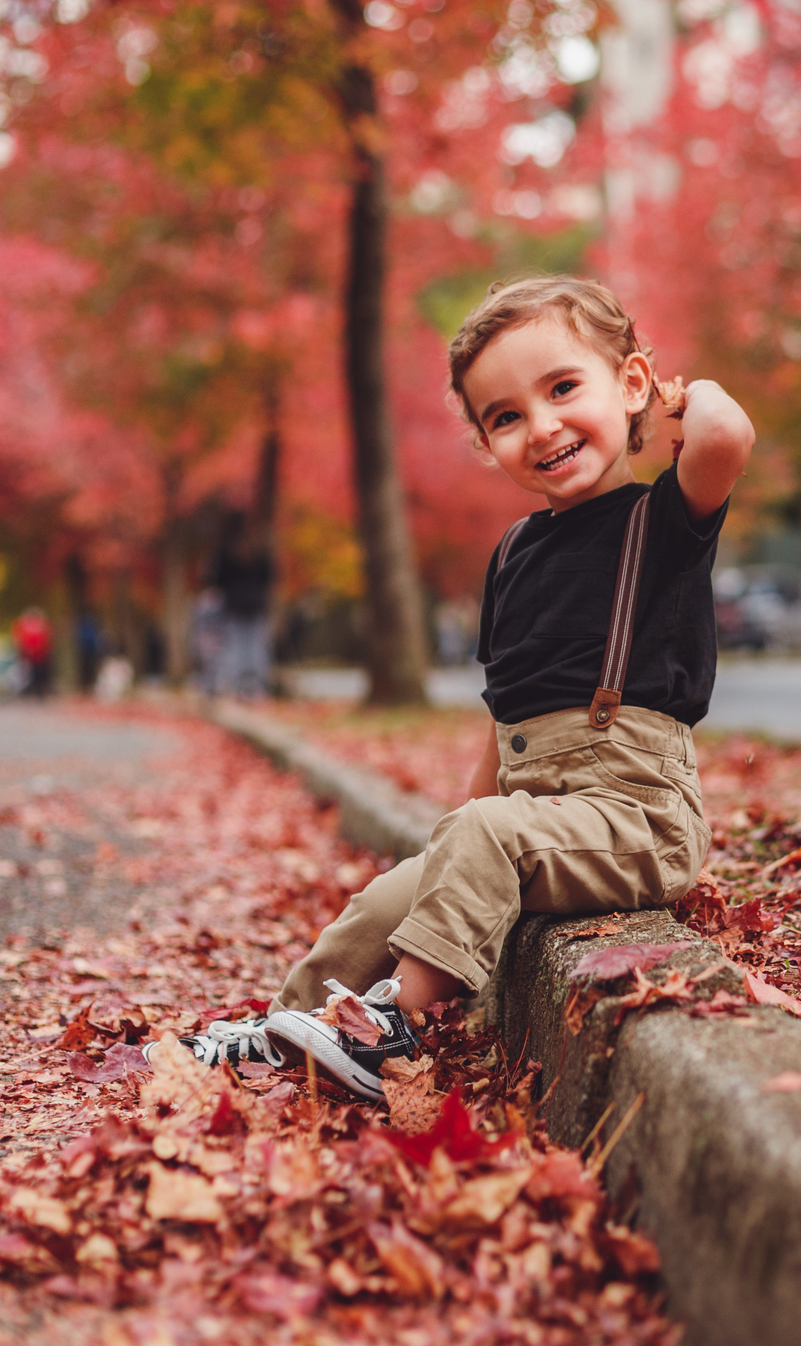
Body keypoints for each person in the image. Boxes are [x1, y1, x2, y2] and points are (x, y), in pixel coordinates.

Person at [158, 274, 754, 1099]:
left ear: (632, 384)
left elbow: (727, 436)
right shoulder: (514, 555)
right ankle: (283, 1030)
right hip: (529, 817)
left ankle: (386, 1032)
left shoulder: (661, 521)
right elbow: (504, 714)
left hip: (636, 819)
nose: (541, 427)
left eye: (564, 389)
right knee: (386, 900)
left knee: (482, 835)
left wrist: (687, 405)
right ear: (486, 442)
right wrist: (455, 834)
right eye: (505, 417)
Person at [208, 513, 274, 698]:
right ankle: (255, 686)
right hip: (254, 604)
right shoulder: (260, 550)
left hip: (234, 605)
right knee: (255, 647)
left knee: (236, 647)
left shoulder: (225, 551)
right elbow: (269, 577)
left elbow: (216, 579)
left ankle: (239, 686)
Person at [13, 608, 53, 698]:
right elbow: (20, 641)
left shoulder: (41, 627)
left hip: (40, 657)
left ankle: (39, 691)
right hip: (31, 656)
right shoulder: (26, 627)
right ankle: (32, 691)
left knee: (39, 674)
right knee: (30, 675)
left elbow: (47, 641)